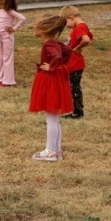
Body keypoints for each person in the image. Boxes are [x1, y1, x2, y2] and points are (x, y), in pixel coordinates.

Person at [29, 14, 74, 161]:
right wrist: (61, 67)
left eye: (36, 25)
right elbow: (68, 52)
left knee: (51, 118)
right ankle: (56, 151)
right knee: (54, 118)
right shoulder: (55, 43)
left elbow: (58, 56)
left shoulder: (48, 44)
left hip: (50, 81)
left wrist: (53, 67)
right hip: (55, 80)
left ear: (44, 28)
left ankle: (50, 152)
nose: (33, 27)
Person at [59, 6, 93, 119]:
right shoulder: (83, 26)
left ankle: (77, 112)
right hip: (73, 63)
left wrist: (78, 48)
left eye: (66, 23)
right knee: (73, 87)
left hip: (75, 64)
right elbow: (92, 38)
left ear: (71, 18)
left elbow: (87, 40)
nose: (66, 27)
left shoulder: (79, 27)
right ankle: (75, 110)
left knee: (74, 87)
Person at [0, 0, 26, 86]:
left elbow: (22, 19)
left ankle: (7, 80)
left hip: (7, 37)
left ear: (3, 1)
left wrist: (14, 28)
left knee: (7, 58)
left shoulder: (10, 11)